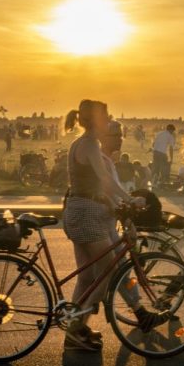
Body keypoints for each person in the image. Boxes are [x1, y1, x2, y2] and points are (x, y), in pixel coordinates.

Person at [61, 99, 159, 351]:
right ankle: (74, 326)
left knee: (86, 277)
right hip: (89, 214)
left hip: (77, 210)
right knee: (107, 274)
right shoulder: (91, 144)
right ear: (97, 121)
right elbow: (104, 180)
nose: (109, 120)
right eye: (106, 117)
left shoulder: (78, 144)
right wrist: (130, 199)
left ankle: (75, 331)